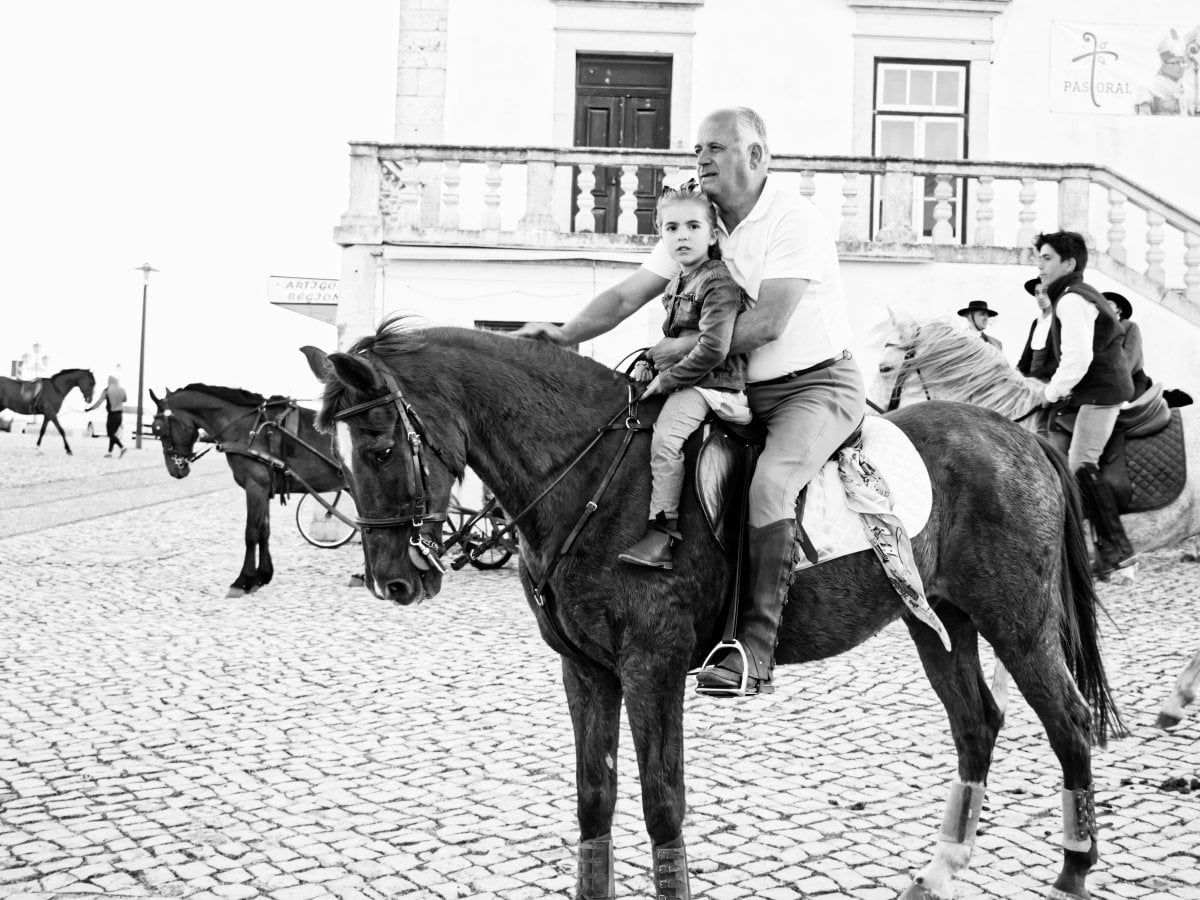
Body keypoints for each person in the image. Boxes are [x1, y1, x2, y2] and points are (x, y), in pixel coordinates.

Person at [516, 107, 865, 696]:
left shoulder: (795, 220)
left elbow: (769, 323)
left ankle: (754, 649)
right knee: (650, 449)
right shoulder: (699, 219)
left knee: (770, 486)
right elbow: (628, 293)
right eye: (697, 148)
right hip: (730, 386)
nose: (701, 158)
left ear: (755, 155)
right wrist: (564, 333)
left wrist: (676, 347)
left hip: (814, 386)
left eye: (715, 148)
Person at [617, 185, 751, 569]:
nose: (682, 236)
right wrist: (650, 362)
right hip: (688, 377)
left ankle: (663, 532)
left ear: (713, 235)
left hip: (713, 384)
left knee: (666, 439)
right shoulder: (677, 281)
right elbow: (676, 340)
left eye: (693, 226)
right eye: (672, 228)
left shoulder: (718, 282)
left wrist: (667, 380)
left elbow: (713, 348)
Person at [1035, 231, 1135, 574]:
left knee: (1081, 464)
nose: (1040, 265)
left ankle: (1118, 550)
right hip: (1092, 391)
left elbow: (1078, 358)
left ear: (1069, 263)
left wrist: (1049, 393)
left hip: (1102, 392)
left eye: (1047, 258)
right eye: (1039, 258)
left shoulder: (1071, 300)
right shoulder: (1072, 295)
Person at [1016, 278, 1056, 437]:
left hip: (1049, 381)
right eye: (1037, 293)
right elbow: (1027, 355)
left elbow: (1058, 361)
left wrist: (1034, 377)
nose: (1040, 297)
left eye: (1045, 292)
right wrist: (1017, 374)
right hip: (1030, 381)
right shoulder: (1036, 322)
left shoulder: (1058, 321)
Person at [1102, 291, 1152, 399]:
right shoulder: (1097, 327)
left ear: (1119, 310)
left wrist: (1116, 378)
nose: (1104, 305)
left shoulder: (1130, 326)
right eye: (1102, 302)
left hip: (1130, 377)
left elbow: (1131, 355)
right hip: (1103, 378)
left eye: (1109, 303)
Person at [1134, 31, 1193, 116]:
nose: (1181, 66)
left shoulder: (1187, 90)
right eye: (1175, 62)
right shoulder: (1149, 89)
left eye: (1183, 62)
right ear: (1164, 66)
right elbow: (1143, 120)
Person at [87, 375, 128, 457]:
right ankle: (110, 453)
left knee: (110, 434)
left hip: (112, 415)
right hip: (120, 415)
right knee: (113, 434)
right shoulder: (122, 390)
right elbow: (125, 399)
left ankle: (122, 447)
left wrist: (90, 408)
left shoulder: (107, 390)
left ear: (109, 382)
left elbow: (99, 402)